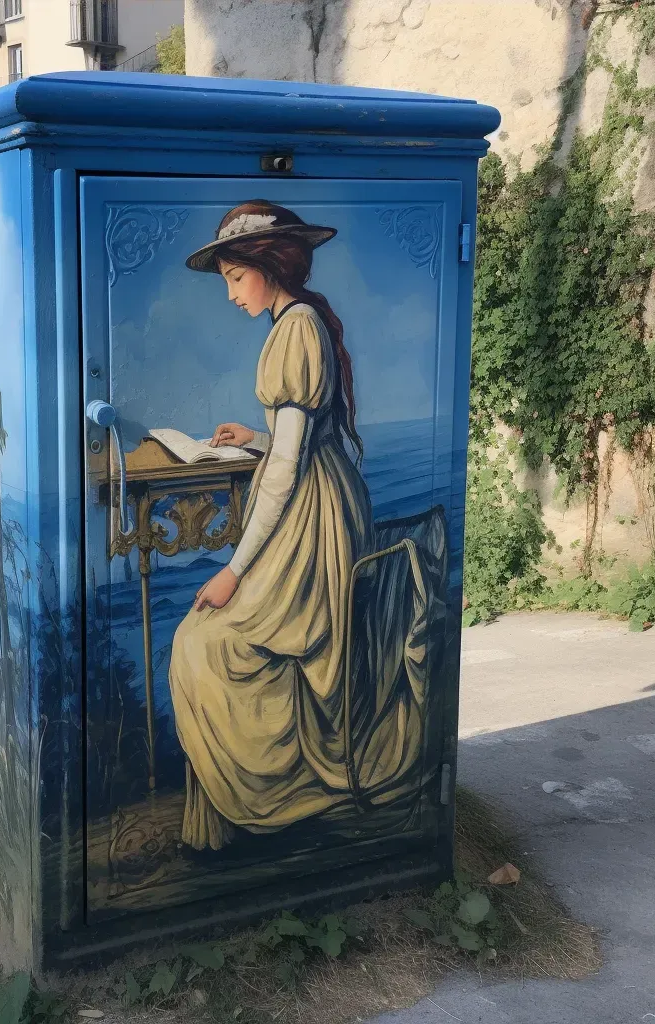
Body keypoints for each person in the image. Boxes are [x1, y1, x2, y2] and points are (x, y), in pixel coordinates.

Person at [168, 199, 386, 852]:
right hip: (324, 504)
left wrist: (234, 571)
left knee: (202, 643)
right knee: (221, 643)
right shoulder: (302, 319)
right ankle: (263, 796)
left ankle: (275, 801)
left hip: (311, 524)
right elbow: (298, 441)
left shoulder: (293, 330)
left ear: (269, 265)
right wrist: (258, 437)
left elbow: (288, 472)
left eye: (236, 277)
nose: (231, 294)